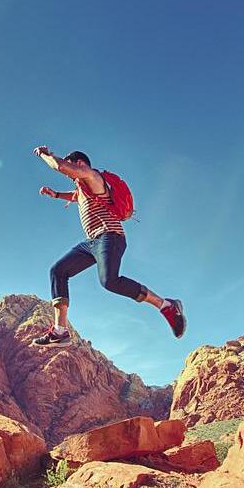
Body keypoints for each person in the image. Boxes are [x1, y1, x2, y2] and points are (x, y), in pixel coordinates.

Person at [31, 146, 186, 346]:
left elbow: (60, 166)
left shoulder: (92, 176)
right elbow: (75, 195)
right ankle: (60, 331)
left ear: (79, 164)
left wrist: (46, 155)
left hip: (110, 237)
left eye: (73, 169)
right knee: (58, 271)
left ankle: (166, 305)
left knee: (110, 281)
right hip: (91, 242)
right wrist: (56, 195)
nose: (72, 177)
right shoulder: (83, 188)